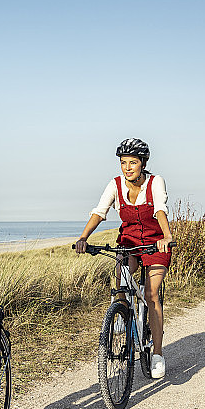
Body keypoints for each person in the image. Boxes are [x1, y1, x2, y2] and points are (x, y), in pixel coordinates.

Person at [74, 138, 173, 378]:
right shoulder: (115, 185)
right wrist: (83, 237)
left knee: (151, 295)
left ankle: (157, 354)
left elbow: (160, 209)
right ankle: (121, 311)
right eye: (123, 162)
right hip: (129, 242)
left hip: (155, 242)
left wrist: (167, 236)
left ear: (143, 163)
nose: (127, 167)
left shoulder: (155, 182)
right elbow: (100, 212)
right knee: (121, 278)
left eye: (133, 162)